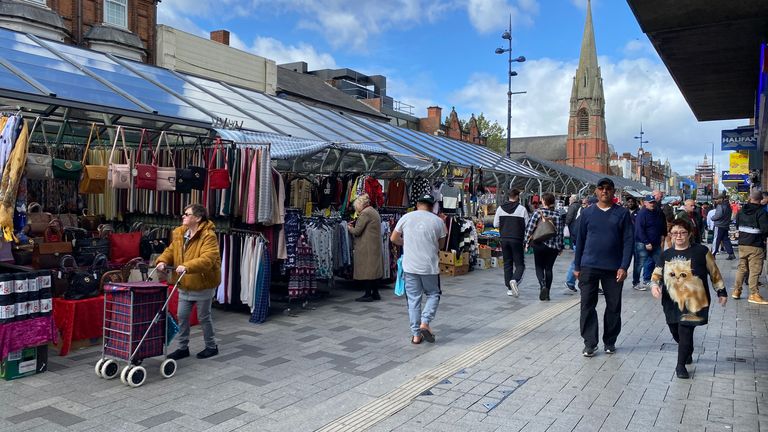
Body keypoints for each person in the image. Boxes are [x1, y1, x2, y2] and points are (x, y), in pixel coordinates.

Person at [650, 218, 727, 379]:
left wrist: (721, 291)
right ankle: (687, 350)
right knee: (675, 331)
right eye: (675, 233)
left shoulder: (701, 251)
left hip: (694, 301)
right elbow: (657, 273)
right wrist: (654, 285)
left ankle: (680, 365)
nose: (679, 236)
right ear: (670, 235)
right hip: (671, 301)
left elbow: (714, 272)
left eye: (683, 232)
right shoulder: (666, 254)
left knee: (685, 330)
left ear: (690, 234)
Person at [574, 178, 633, 357]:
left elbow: (628, 241)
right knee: (587, 305)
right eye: (601, 188)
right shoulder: (587, 213)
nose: (604, 191)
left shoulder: (622, 214)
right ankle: (590, 343)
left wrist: (624, 266)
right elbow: (580, 240)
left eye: (608, 188)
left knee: (614, 305)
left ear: (613, 192)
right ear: (596, 192)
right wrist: (577, 266)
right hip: (589, 265)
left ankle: (610, 341)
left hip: (613, 268)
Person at [157, 204, 222, 360]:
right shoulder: (180, 233)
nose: (183, 216)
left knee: (204, 317)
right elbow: (171, 250)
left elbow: (208, 259)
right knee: (182, 316)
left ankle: (211, 346)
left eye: (187, 214)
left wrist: (186, 266)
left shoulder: (208, 236)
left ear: (197, 218)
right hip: (184, 283)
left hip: (202, 284)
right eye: (184, 214)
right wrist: (162, 260)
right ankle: (182, 347)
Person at [390, 194, 447, 345]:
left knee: (413, 300)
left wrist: (406, 242)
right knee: (434, 294)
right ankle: (425, 321)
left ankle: (416, 335)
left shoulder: (406, 217)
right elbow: (441, 245)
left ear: (417, 204)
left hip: (410, 266)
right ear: (431, 206)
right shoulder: (438, 221)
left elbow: (393, 239)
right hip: (429, 267)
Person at [523, 193, 564, 301]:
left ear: (544, 201)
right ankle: (548, 293)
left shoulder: (538, 213)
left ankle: (542, 286)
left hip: (539, 244)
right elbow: (560, 233)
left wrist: (526, 241)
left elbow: (530, 228)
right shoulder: (558, 215)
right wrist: (560, 247)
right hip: (553, 247)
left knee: (539, 267)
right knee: (549, 269)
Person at [732, 190, 768, 304]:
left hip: (742, 244)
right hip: (755, 245)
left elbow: (737, 225)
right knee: (755, 270)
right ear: (761, 199)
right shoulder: (761, 212)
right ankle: (754, 294)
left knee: (742, 268)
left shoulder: (741, 211)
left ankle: (736, 291)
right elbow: (765, 229)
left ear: (750, 197)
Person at [493, 188, 530, 297]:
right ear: (518, 196)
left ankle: (509, 288)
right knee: (519, 264)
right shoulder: (522, 209)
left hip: (504, 239)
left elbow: (495, 224)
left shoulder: (500, 209)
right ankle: (514, 280)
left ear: (508, 196)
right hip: (517, 239)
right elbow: (527, 225)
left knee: (507, 263)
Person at [348, 194, 384, 302]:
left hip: (366, 246)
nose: (356, 209)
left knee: (367, 271)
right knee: (372, 270)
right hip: (373, 245)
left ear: (360, 204)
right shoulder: (373, 211)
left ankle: (368, 294)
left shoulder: (365, 213)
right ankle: (375, 293)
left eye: (356, 206)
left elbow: (357, 231)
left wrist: (349, 227)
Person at [633, 195, 667, 291]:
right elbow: (639, 229)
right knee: (639, 263)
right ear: (645, 203)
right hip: (642, 243)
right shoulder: (642, 214)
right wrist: (646, 242)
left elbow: (661, 223)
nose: (652, 204)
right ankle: (636, 282)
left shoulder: (657, 212)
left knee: (660, 262)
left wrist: (663, 234)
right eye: (650, 202)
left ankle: (661, 281)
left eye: (653, 202)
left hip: (656, 242)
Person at [564, 197, 589, 294]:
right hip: (580, 241)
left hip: (577, 239)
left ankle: (572, 282)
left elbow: (570, 218)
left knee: (578, 261)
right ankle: (571, 282)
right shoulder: (585, 213)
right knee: (577, 261)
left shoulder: (580, 210)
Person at [711, 194, 736, 260]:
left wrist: (712, 218)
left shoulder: (720, 206)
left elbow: (718, 215)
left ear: (721, 199)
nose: (716, 201)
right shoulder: (728, 206)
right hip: (725, 225)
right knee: (726, 240)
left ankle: (712, 254)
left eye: (717, 199)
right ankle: (731, 254)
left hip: (719, 225)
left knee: (716, 240)